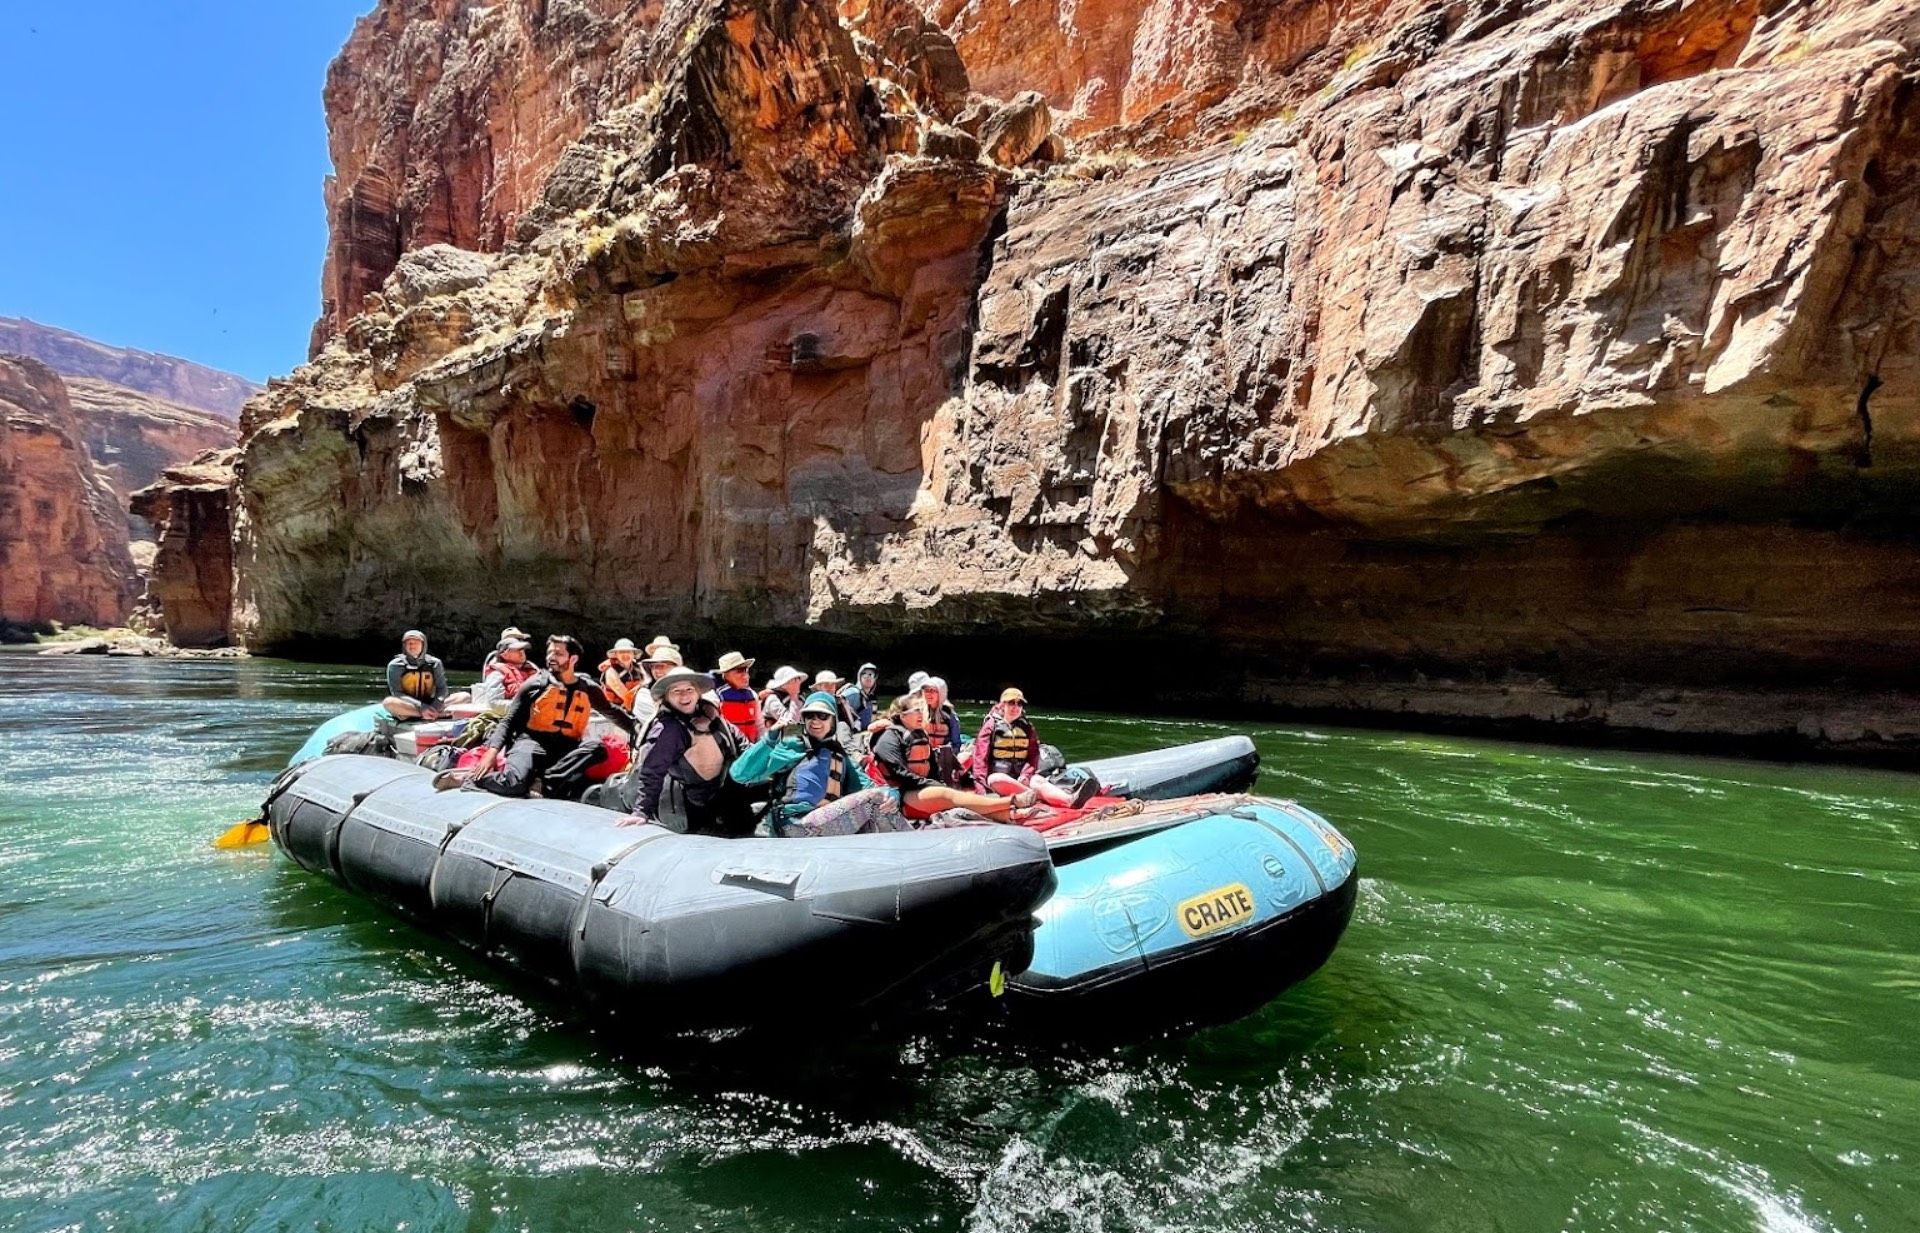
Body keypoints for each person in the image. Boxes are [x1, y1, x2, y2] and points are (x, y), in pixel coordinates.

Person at [440, 634, 635, 799]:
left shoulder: (588, 688)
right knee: (514, 785)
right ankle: (469, 778)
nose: (551, 657)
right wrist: (491, 754)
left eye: (558, 654)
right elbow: (509, 721)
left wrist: (640, 729)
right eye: (550, 652)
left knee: (597, 748)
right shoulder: (535, 685)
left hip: (564, 748)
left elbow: (613, 712)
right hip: (532, 744)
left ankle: (543, 782)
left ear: (573, 659)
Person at [728, 691, 895, 835]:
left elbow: (866, 786)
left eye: (822, 716)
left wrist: (892, 794)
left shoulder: (839, 754)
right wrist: (769, 740)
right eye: (809, 715)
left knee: (883, 802)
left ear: (833, 720)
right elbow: (740, 774)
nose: (815, 721)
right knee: (875, 799)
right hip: (793, 825)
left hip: (824, 824)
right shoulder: (791, 745)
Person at [616, 663, 753, 835]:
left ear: (697, 692)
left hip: (725, 789)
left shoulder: (710, 713)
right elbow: (652, 770)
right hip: (694, 802)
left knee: (746, 826)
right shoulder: (668, 729)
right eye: (676, 691)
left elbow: (740, 741)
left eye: (689, 689)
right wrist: (642, 811)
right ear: (666, 696)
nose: (684, 696)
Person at [869, 694, 1030, 822]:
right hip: (899, 795)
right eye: (915, 710)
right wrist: (932, 785)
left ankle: (1008, 815)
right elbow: (898, 772)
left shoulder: (920, 734)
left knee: (954, 799)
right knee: (947, 796)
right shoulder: (888, 737)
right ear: (902, 716)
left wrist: (936, 782)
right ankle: (1012, 801)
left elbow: (932, 768)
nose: (921, 714)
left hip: (921, 789)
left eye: (921, 709)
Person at [972, 687, 1096, 807]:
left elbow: (1033, 755)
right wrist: (981, 790)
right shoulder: (991, 726)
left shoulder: (1027, 727)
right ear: (1002, 705)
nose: (1015, 707)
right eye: (1011, 703)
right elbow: (980, 759)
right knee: (996, 779)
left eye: (1019, 704)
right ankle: (1037, 796)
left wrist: (1026, 775)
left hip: (1020, 778)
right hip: (1000, 778)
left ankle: (1070, 800)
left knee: (1037, 780)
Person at [382, 629, 449, 721]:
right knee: (388, 702)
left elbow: (442, 689)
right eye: (409, 643)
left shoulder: (435, 663)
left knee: (464, 696)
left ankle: (431, 713)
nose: (412, 646)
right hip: (409, 705)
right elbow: (397, 693)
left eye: (416, 643)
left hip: (431, 703)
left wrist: (436, 704)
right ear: (404, 646)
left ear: (423, 645)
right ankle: (428, 714)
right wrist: (421, 706)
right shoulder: (395, 665)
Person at [920, 676, 966, 784]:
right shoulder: (918, 712)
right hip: (923, 756)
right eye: (926, 690)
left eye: (933, 691)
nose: (929, 694)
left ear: (941, 693)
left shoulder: (950, 715)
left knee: (948, 753)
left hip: (943, 757)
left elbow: (956, 743)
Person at [711, 651, 761, 741]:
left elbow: (760, 725)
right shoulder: (715, 697)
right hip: (729, 749)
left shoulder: (753, 695)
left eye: (746, 670)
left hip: (751, 748)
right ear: (725, 675)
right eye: (739, 671)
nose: (746, 675)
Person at [476, 636, 538, 704]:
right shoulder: (497, 674)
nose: (521, 652)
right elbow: (494, 702)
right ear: (504, 655)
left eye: (522, 649)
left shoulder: (531, 671)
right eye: (517, 650)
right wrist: (522, 707)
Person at [600, 638, 646, 711]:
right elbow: (625, 695)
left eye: (628, 652)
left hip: (633, 705)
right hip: (612, 709)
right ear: (616, 655)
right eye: (621, 652)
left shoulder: (639, 668)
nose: (625, 655)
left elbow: (645, 687)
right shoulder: (611, 671)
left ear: (633, 654)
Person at [759, 666, 807, 731]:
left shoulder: (800, 698)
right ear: (784, 684)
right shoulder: (772, 699)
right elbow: (792, 723)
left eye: (798, 679)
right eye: (794, 680)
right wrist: (794, 695)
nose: (798, 682)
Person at [840, 663, 879, 729]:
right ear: (859, 677)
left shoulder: (872, 697)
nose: (868, 677)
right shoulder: (853, 693)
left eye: (871, 674)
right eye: (864, 674)